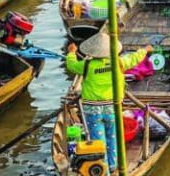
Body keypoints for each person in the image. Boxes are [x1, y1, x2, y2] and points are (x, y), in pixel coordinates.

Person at [65, 32, 152, 172]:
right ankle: (113, 165)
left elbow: (71, 65)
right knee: (113, 137)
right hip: (112, 107)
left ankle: (103, 170)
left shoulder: (87, 65)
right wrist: (145, 50)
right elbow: (134, 58)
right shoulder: (119, 62)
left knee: (98, 140)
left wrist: (71, 53)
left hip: (92, 110)